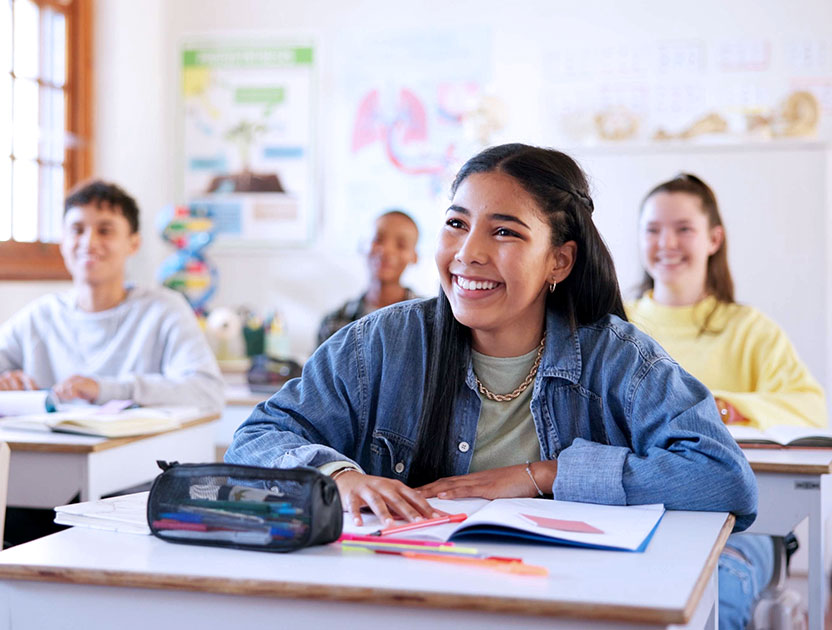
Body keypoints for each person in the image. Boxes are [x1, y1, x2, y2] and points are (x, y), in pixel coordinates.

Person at [226, 142, 756, 537]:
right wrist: (337, 475)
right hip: (404, 590)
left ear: (560, 260)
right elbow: (257, 437)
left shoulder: (616, 357)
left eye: (504, 231)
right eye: (457, 223)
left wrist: (542, 475)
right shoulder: (379, 344)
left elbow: (722, 479)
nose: (468, 253)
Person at [627, 173, 827, 630]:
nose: (666, 243)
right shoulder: (618, 324)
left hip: (738, 518)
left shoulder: (750, 328)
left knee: (719, 597)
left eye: (683, 229)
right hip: (636, 509)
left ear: (714, 238)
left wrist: (727, 407)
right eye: (653, 230)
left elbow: (810, 407)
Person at [0, 180, 223, 413]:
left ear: (134, 243)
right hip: (51, 456)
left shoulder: (165, 310)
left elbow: (207, 391)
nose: (89, 242)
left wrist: (104, 389)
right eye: (77, 230)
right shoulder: (41, 316)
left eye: (105, 230)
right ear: (63, 241)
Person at [316, 209, 420, 346]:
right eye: (378, 239)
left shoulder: (428, 320)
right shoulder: (335, 322)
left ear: (414, 257)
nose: (386, 251)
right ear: (362, 246)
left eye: (401, 245)